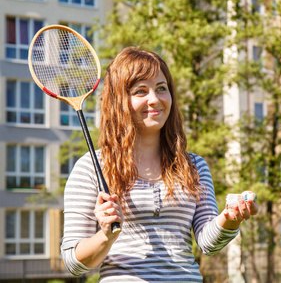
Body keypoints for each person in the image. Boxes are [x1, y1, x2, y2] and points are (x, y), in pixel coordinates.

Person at [61, 47, 259, 282]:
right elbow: (74, 264)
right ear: (119, 101)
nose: (154, 99)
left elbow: (208, 243)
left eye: (161, 88)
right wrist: (105, 236)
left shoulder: (194, 165)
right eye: (140, 91)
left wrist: (230, 217)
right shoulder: (92, 168)